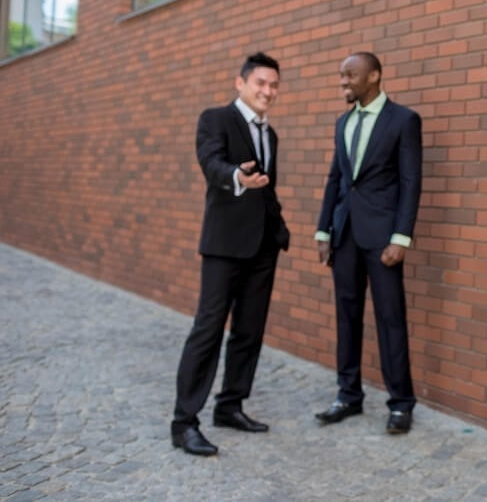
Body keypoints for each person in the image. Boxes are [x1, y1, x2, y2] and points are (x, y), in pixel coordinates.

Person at [171, 52, 290, 457]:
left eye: (274, 85)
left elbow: (267, 188)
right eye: (261, 83)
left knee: (249, 332)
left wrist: (280, 230)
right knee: (208, 330)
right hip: (224, 246)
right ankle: (184, 422)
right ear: (240, 83)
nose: (268, 91)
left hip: (262, 249)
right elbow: (211, 163)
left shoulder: (270, 134)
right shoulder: (215, 119)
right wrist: (236, 176)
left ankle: (230, 405)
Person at [314, 51, 422, 434]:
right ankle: (348, 395)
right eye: (342, 75)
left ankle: (401, 403)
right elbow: (336, 180)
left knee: (390, 318)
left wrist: (401, 237)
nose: (343, 81)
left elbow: (411, 182)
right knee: (347, 316)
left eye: (350, 75)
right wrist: (323, 230)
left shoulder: (404, 120)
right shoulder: (342, 121)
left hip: (383, 242)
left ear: (374, 76)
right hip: (344, 237)